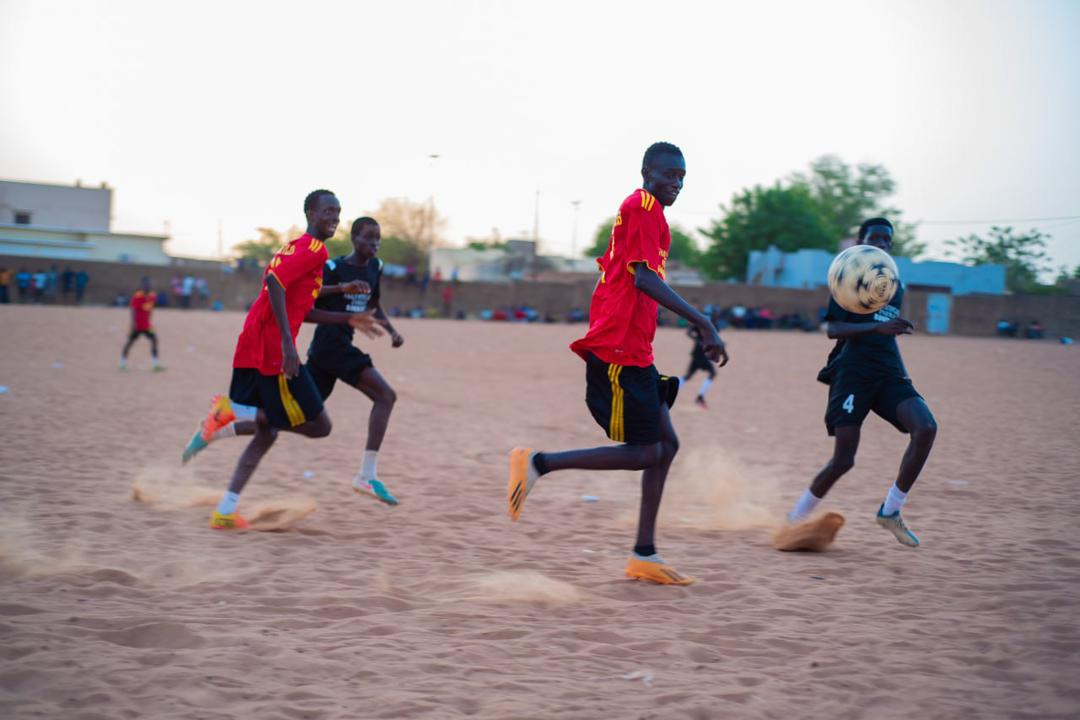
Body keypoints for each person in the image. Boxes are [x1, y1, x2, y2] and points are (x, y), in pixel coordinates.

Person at [507, 142, 728, 585]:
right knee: (647, 451)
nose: (676, 183)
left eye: (682, 177)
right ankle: (537, 463)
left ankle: (643, 553)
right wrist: (703, 322)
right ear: (646, 171)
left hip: (635, 350)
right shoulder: (642, 205)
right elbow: (644, 279)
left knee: (666, 447)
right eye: (669, 174)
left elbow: (640, 281)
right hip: (616, 351)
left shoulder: (652, 214)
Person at [180, 189, 382, 530]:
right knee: (320, 425)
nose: (334, 217)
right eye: (328, 211)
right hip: (271, 350)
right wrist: (289, 345)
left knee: (269, 430)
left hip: (255, 343)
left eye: (338, 212)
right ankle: (228, 415)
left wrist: (344, 307)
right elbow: (275, 282)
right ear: (311, 214)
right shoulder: (315, 249)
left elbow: (303, 303)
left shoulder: (298, 248)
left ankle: (226, 509)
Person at [786, 218, 937, 547]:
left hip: (889, 371)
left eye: (887, 239)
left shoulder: (896, 285)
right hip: (852, 373)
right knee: (844, 459)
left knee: (925, 428)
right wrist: (876, 328)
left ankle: (891, 510)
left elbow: (885, 326)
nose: (882, 243)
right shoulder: (847, 279)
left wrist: (890, 328)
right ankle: (794, 519)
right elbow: (834, 330)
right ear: (862, 242)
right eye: (875, 238)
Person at [305, 216, 405, 505]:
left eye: (378, 239)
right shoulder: (334, 268)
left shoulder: (377, 267)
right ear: (354, 239)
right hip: (330, 346)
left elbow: (373, 304)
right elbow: (307, 296)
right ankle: (366, 476)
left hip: (331, 351)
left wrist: (392, 331)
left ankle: (232, 420)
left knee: (301, 417)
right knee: (385, 396)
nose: (374, 244)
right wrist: (341, 288)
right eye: (368, 238)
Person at [119, 276, 164, 371]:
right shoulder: (138, 296)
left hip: (147, 325)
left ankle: (156, 365)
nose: (148, 286)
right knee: (130, 343)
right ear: (142, 285)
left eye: (149, 284)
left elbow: (151, 309)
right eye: (146, 284)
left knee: (154, 340)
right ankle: (122, 363)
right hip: (137, 325)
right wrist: (133, 324)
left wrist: (150, 321)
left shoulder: (153, 296)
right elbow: (133, 309)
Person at [681, 317, 719, 408]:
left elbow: (714, 340)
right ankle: (700, 396)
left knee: (688, 375)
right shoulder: (703, 325)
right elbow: (689, 332)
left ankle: (670, 390)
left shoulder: (715, 326)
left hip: (701, 354)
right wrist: (698, 340)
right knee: (712, 373)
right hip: (699, 354)